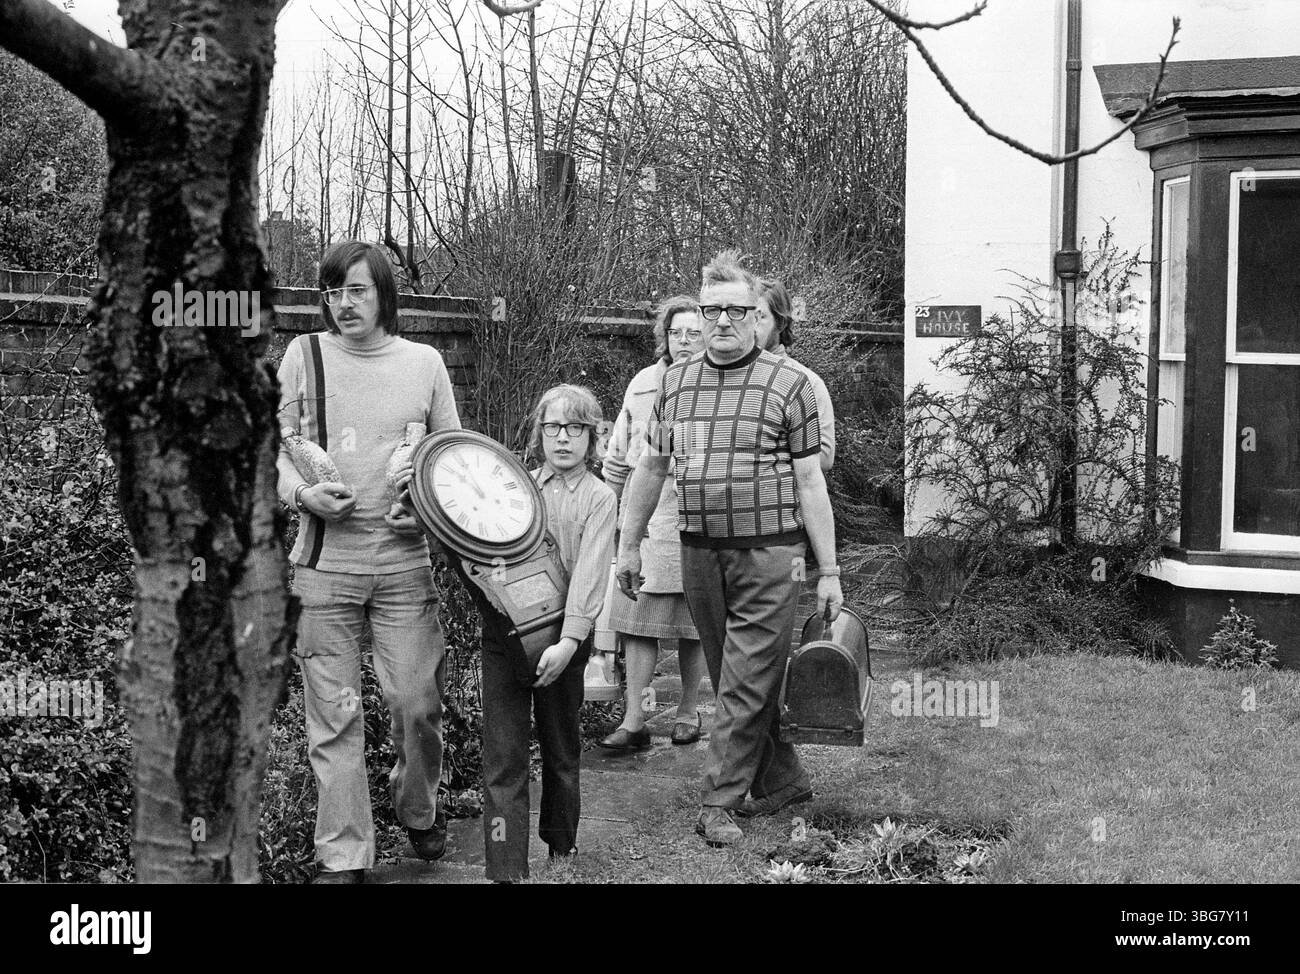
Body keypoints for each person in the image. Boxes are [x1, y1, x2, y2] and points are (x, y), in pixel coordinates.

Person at [616, 250, 844, 847]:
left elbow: (811, 481)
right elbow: (652, 465)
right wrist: (628, 544)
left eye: (735, 310)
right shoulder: (675, 382)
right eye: (710, 309)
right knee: (734, 674)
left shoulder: (790, 384)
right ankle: (783, 781)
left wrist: (829, 569)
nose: (721, 321)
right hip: (699, 550)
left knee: (744, 680)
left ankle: (719, 799)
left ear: (756, 314)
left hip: (773, 553)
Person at [276, 240, 461, 884]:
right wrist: (302, 494)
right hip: (322, 567)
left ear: (384, 293)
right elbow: (272, 450)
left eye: (356, 290)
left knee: (416, 701)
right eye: (331, 292)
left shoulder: (425, 363)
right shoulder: (303, 357)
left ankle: (418, 805)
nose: (342, 304)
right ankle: (343, 855)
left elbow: (449, 459)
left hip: (405, 567)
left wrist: (426, 511)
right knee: (336, 717)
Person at [479, 384, 617, 882]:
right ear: (539, 433)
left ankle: (562, 848)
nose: (563, 438)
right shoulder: (516, 486)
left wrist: (570, 641)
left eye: (575, 428)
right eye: (553, 427)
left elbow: (591, 574)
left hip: (562, 640)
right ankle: (504, 866)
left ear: (592, 436)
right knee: (503, 755)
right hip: (504, 638)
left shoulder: (600, 498)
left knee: (561, 749)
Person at [599, 296, 709, 750]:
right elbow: (619, 459)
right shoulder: (644, 384)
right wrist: (615, 517)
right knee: (637, 620)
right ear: (663, 336)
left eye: (692, 333)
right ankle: (634, 719)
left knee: (692, 623)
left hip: (696, 520)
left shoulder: (718, 383)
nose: (683, 341)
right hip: (647, 520)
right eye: (675, 332)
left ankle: (687, 711)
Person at [755, 278, 836, 472]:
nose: (751, 327)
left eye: (760, 317)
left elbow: (824, 457)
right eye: (674, 332)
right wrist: (676, 463)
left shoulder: (805, 381)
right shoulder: (686, 380)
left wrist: (752, 459)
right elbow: (677, 442)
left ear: (780, 323)